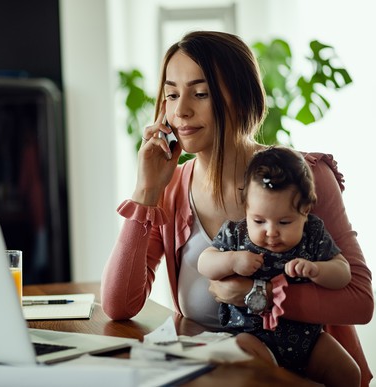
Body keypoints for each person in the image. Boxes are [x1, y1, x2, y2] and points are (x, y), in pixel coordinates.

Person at [100, 31, 373, 386]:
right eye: (170, 94)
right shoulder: (171, 191)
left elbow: (359, 302)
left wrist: (254, 295)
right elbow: (118, 306)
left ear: (241, 99)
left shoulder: (304, 177)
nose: (181, 110)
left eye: (200, 94)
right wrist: (146, 190)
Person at [198, 146, 358, 385]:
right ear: (247, 209)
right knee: (250, 362)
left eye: (284, 222)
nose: (271, 232)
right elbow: (204, 263)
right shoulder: (237, 235)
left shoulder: (313, 233)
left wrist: (319, 270)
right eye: (259, 220)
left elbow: (343, 273)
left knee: (349, 373)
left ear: (306, 212)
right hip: (251, 336)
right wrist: (232, 260)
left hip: (308, 340)